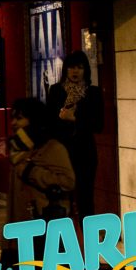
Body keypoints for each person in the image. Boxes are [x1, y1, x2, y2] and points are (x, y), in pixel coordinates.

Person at [0, 97, 76, 270]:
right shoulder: (17, 148)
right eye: (13, 118)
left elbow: (68, 181)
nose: (14, 123)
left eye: (19, 118)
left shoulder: (52, 147)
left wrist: (31, 172)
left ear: (34, 120)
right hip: (15, 232)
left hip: (43, 228)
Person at [46, 50, 104, 219]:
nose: (75, 71)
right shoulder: (56, 91)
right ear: (66, 70)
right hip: (61, 153)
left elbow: (98, 125)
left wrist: (74, 118)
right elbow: (49, 124)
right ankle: (63, 240)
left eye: (80, 67)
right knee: (62, 198)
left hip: (85, 152)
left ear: (86, 70)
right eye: (71, 67)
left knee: (86, 198)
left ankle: (87, 240)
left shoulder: (93, 93)